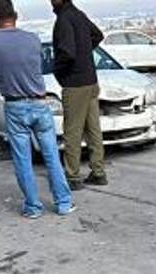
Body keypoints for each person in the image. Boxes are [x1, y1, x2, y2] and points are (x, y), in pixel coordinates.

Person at [0, 0, 74, 219]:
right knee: (51, 155)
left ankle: (33, 207)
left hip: (14, 105)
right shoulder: (33, 39)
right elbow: (38, 66)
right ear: (16, 14)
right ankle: (63, 203)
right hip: (40, 103)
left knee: (23, 158)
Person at [51, 0, 106, 189]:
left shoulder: (64, 19)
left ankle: (72, 176)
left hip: (75, 84)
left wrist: (58, 71)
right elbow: (97, 35)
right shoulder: (79, 15)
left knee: (72, 132)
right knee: (93, 129)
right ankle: (98, 172)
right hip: (91, 80)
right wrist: (84, 53)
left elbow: (67, 53)